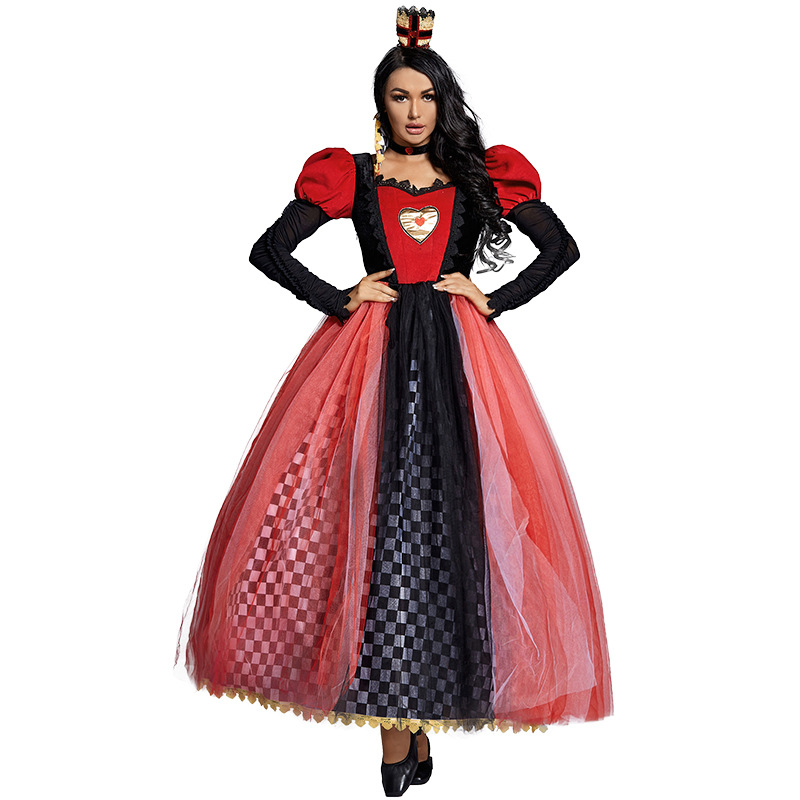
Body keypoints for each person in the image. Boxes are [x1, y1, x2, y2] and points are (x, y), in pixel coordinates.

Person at [174, 6, 613, 796]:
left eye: (427, 97)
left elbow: (562, 248)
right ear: (380, 104)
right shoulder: (355, 175)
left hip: (455, 368)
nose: (414, 111)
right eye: (400, 97)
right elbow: (270, 249)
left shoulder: (478, 175)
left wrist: (492, 299)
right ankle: (394, 728)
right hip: (371, 365)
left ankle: (418, 713)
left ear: (445, 103)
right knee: (375, 534)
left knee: (444, 536)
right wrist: (340, 297)